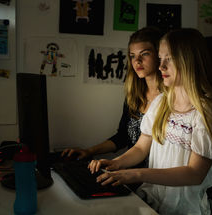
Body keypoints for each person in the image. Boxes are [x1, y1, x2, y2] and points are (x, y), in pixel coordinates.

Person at [89, 28, 212, 215]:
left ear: (188, 61)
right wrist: (116, 164)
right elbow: (140, 147)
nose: (161, 66)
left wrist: (135, 174)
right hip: (152, 201)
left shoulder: (208, 112)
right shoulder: (162, 102)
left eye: (169, 59)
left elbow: (194, 173)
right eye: (160, 58)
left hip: (184, 212)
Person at [61, 27, 164, 166]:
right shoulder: (133, 96)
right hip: (130, 173)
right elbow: (122, 137)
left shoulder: (172, 98)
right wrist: (89, 151)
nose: (137, 61)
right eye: (132, 55)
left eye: (144, 54)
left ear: (160, 55)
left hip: (159, 178)